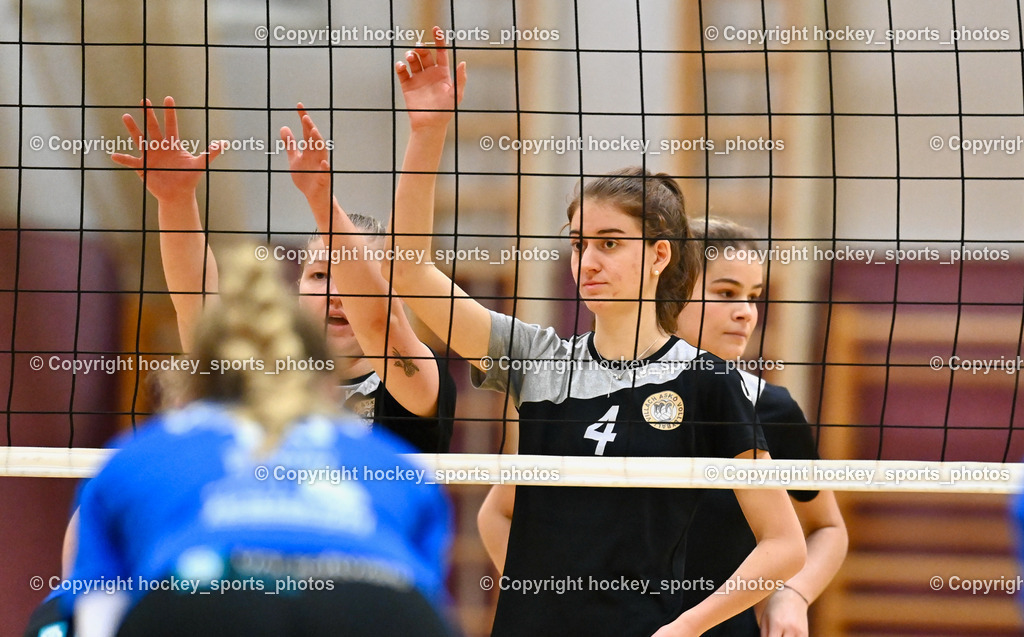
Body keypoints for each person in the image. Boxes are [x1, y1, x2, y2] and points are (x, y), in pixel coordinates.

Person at [386, 28, 805, 637]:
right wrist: (427, 133)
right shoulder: (539, 360)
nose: (588, 261)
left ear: (660, 256)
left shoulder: (711, 384)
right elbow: (412, 273)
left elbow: (783, 543)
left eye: (610, 244)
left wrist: (687, 628)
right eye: (580, 244)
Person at [70, 246, 455, 637]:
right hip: (374, 598)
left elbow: (93, 605)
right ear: (321, 384)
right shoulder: (396, 469)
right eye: (320, 276)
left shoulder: (142, 458)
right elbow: (426, 593)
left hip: (203, 590)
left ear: (193, 385)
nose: (337, 293)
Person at [110, 99, 454, 452]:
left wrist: (321, 199)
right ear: (297, 290)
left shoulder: (418, 375)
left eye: (351, 280)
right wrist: (175, 200)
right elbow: (197, 309)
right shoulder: (267, 376)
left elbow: (381, 324)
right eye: (319, 276)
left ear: (392, 294)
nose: (337, 294)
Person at [677, 217, 848, 637]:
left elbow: (827, 527)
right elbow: (502, 513)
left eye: (753, 297)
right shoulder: (602, 398)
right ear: (670, 293)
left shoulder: (770, 408)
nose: (746, 313)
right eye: (726, 293)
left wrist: (793, 594)